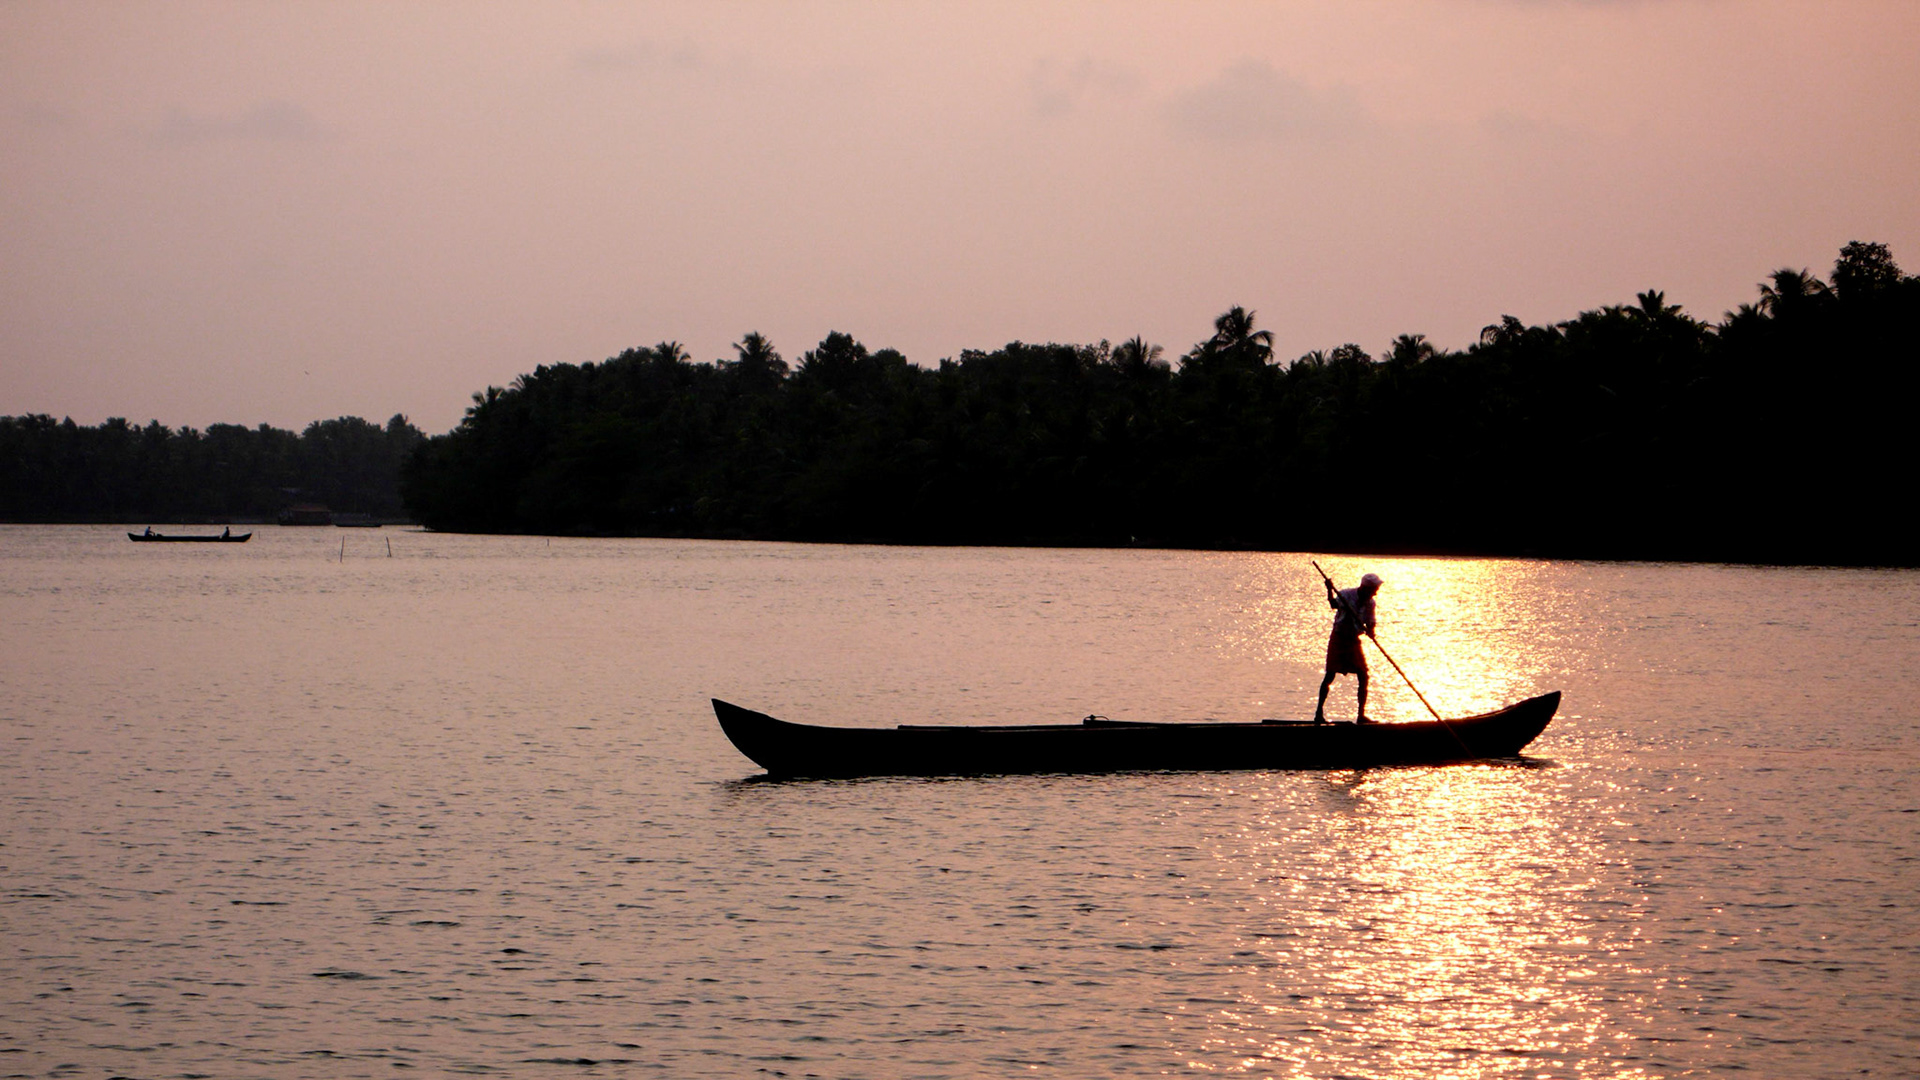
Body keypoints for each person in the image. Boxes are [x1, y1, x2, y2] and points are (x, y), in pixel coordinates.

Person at [1315, 572, 1382, 724]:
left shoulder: (1370, 603)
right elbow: (1333, 604)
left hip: (1353, 640)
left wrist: (1371, 631)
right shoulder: (1346, 595)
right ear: (1365, 587)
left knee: (1363, 675)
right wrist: (1329, 589)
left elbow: (1371, 621)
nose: (1376, 592)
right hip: (1339, 638)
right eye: (1374, 589)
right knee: (1330, 675)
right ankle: (1318, 713)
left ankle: (1361, 716)